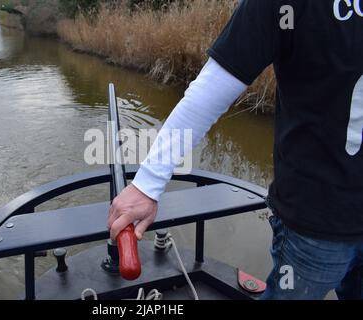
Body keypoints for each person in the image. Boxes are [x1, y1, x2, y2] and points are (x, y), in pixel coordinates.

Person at [107, 0, 363, 299]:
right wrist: (148, 183)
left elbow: (212, 90)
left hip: (316, 222)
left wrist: (147, 183)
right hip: (317, 223)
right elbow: (212, 90)